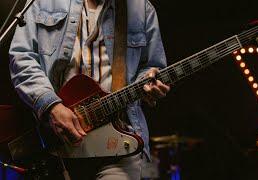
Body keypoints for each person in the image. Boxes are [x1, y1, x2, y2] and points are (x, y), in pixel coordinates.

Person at [9, 0, 170, 179]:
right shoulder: (43, 2)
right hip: (56, 143)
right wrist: (52, 106)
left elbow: (151, 67)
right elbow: (22, 58)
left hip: (119, 143)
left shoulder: (141, 9)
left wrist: (149, 81)